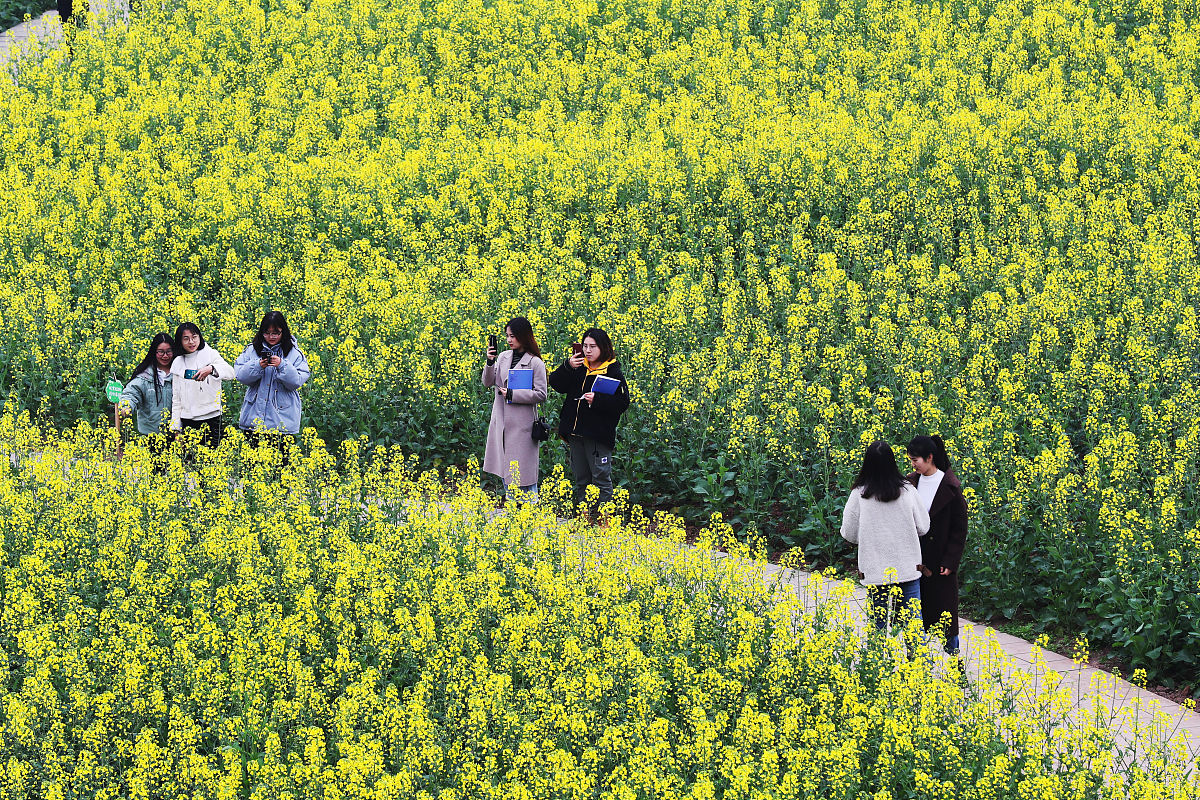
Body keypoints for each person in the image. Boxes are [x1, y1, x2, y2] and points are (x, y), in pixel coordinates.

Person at [840, 440, 930, 633]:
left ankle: (879, 662)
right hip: (908, 568)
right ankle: (919, 663)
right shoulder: (908, 490)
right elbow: (923, 527)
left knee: (878, 629)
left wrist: (868, 535)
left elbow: (848, 533)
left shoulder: (859, 494)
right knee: (913, 627)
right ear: (892, 462)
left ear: (867, 464)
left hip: (875, 570)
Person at [548, 327, 630, 511]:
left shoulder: (612, 371)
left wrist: (598, 399)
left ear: (603, 348)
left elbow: (623, 402)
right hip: (575, 433)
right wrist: (567, 366)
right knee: (581, 478)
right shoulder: (578, 367)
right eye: (585, 346)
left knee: (601, 477)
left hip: (597, 435)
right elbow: (555, 383)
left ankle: (605, 518)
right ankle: (586, 515)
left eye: (592, 346)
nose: (587, 350)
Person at [907, 434, 970, 654]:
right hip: (916, 562)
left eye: (916, 460)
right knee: (914, 619)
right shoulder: (910, 483)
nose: (913, 464)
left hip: (941, 564)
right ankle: (915, 668)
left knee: (946, 620)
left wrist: (951, 561)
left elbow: (959, 529)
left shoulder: (950, 486)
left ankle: (955, 665)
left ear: (930, 457)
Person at [482, 317, 548, 501]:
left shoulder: (535, 363)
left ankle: (528, 515)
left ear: (524, 336)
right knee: (506, 473)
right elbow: (487, 382)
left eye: (513, 336)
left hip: (522, 427)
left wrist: (513, 394)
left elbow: (541, 394)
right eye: (507, 336)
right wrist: (489, 361)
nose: (509, 340)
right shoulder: (502, 357)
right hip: (502, 423)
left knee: (523, 477)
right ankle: (513, 515)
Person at [235, 311, 311, 462]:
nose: (271, 337)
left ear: (283, 331)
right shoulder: (252, 350)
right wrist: (257, 366)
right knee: (252, 468)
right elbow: (240, 376)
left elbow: (296, 382)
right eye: (267, 332)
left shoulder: (294, 353)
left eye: (276, 332)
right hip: (253, 418)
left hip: (282, 420)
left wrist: (282, 365)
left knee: (279, 470)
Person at [170, 322, 235, 449]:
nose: (191, 342)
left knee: (212, 461)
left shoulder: (210, 354)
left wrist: (211, 369)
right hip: (188, 420)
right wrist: (176, 429)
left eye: (194, 337)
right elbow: (176, 399)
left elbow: (231, 373)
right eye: (186, 338)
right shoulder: (178, 362)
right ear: (180, 341)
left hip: (212, 417)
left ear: (200, 337)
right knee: (193, 462)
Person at [118, 333, 175, 459]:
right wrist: (126, 406)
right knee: (155, 472)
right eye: (160, 352)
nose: (165, 356)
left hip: (175, 434)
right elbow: (131, 393)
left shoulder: (180, 373)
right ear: (154, 353)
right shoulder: (145, 375)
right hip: (151, 434)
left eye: (168, 351)